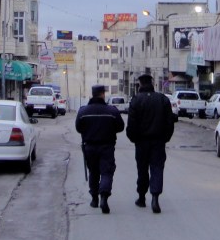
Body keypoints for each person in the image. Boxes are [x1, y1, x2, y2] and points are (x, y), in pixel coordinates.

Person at [126, 73, 175, 214]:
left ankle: (141, 197)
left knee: (142, 170)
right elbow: (169, 122)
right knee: (157, 168)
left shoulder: (136, 100)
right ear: (152, 84)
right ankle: (155, 198)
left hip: (141, 142)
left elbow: (131, 124)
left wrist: (134, 139)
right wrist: (165, 138)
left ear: (140, 84)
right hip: (158, 142)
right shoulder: (162, 99)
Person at [75, 84, 124, 214]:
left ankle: (94, 199)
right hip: (107, 147)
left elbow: (78, 128)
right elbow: (120, 127)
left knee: (93, 172)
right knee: (106, 172)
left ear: (92, 94)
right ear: (102, 94)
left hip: (89, 147)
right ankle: (104, 197)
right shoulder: (112, 111)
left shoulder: (83, 111)